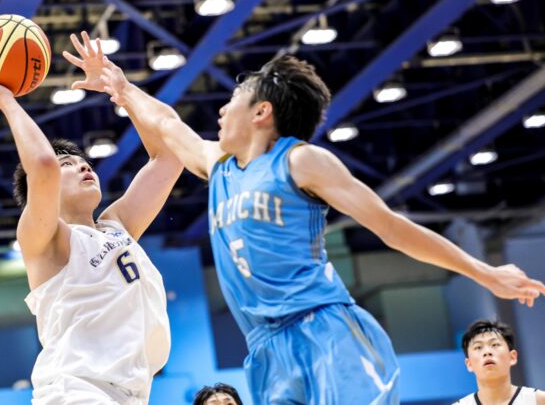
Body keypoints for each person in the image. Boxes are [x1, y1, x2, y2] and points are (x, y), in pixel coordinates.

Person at [63, 32, 545, 404]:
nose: (222, 110)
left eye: (233, 101)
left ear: (261, 112)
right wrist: (121, 88)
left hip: (325, 330)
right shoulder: (221, 166)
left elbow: (391, 227)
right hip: (266, 347)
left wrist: (484, 272)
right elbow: (169, 125)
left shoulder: (300, 162)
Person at [0, 55, 183, 404]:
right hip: (76, 391)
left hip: (130, 393)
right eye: (70, 164)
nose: (84, 168)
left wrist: (122, 90)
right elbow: (41, 165)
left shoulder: (117, 226)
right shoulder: (46, 241)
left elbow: (170, 154)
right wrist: (5, 100)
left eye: (85, 163)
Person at [453, 320, 544, 405]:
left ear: (512, 357)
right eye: (478, 347)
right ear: (469, 364)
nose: (487, 352)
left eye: (495, 344)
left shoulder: (539, 400)